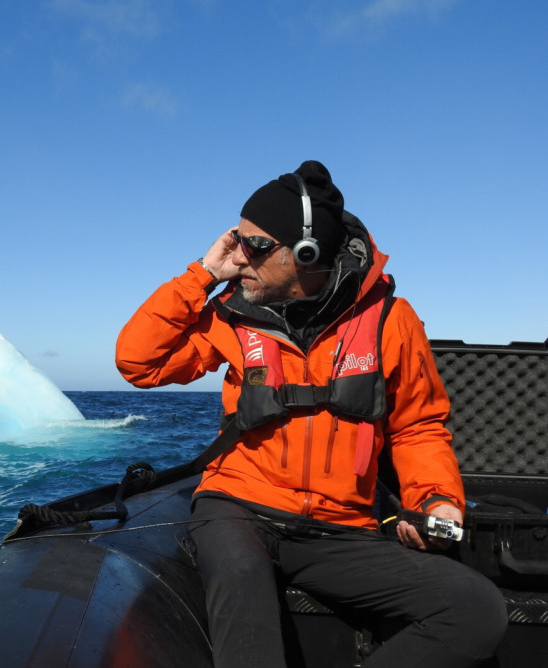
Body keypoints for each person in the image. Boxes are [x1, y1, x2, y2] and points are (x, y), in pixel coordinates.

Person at [115, 161, 508, 667]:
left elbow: (417, 427)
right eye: (237, 239)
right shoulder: (232, 313)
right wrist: (203, 274)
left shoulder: (392, 320)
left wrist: (436, 500)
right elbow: (138, 363)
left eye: (254, 246)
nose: (239, 256)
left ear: (306, 254)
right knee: (240, 592)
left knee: (476, 610)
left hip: (340, 527)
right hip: (239, 509)